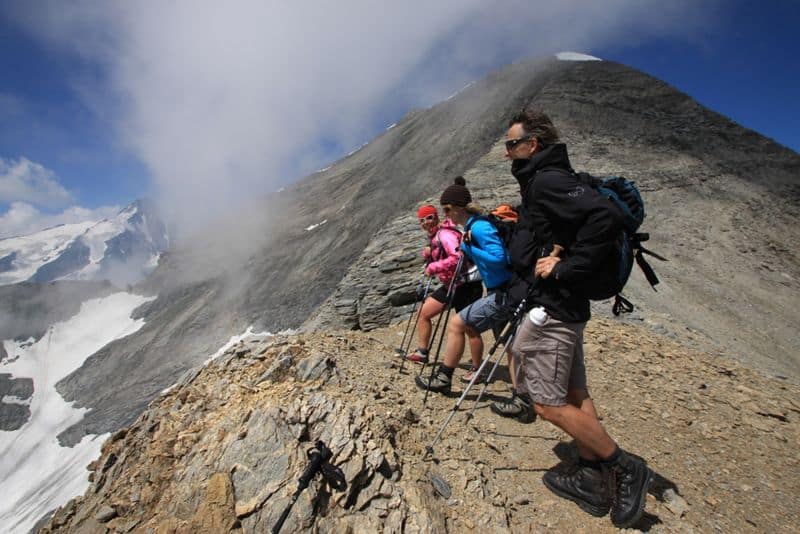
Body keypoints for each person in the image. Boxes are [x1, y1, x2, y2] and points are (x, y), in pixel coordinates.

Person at [503, 108, 653, 528]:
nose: (507, 152)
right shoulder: (546, 180)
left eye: (512, 144)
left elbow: (604, 216)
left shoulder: (548, 180)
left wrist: (564, 268)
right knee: (572, 391)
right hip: (566, 306)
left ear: (533, 145)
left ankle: (624, 467)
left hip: (555, 308)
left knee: (547, 404)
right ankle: (590, 473)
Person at [415, 177, 515, 391]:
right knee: (506, 343)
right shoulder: (467, 228)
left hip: (486, 287)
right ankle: (522, 395)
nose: (445, 215)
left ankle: (452, 376)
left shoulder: (476, 228)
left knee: (463, 325)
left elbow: (498, 258)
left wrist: (468, 249)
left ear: (458, 208)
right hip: (490, 288)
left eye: (446, 209)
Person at [406, 203, 483, 366]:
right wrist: (428, 253)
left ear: (436, 216)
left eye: (429, 217)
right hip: (452, 284)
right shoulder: (436, 236)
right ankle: (422, 352)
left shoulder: (444, 234)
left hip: (465, 284)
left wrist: (433, 267)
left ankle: (477, 368)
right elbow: (442, 255)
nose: (426, 222)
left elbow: (456, 258)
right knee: (423, 313)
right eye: (422, 220)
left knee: (469, 328)